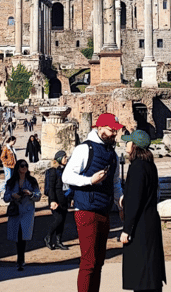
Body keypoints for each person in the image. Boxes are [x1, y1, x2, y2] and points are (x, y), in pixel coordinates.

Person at [63, 112, 125, 292]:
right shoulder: (85, 149)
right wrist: (90, 180)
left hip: (104, 209)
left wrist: (120, 203)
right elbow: (67, 176)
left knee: (99, 261)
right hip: (86, 210)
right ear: (99, 128)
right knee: (89, 261)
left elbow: (115, 184)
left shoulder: (113, 154)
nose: (114, 133)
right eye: (111, 130)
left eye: (116, 130)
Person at [119, 130, 166, 292]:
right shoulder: (148, 165)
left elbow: (135, 201)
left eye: (128, 142)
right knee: (149, 266)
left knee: (142, 269)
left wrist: (126, 229)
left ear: (135, 146)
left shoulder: (137, 167)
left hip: (140, 225)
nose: (126, 145)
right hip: (149, 220)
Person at [3, 159, 41, 271]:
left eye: (26, 165)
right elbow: (5, 197)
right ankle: (20, 259)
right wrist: (12, 196)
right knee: (17, 236)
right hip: (16, 211)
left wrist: (30, 194)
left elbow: (38, 196)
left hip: (27, 211)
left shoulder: (32, 181)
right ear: (17, 168)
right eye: (22, 166)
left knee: (23, 236)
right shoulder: (11, 182)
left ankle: (21, 259)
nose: (24, 167)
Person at [45, 150, 72, 250]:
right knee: (58, 219)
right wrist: (52, 200)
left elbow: (68, 185)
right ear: (60, 158)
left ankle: (58, 241)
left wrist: (70, 198)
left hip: (64, 198)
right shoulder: (53, 171)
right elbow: (51, 188)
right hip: (56, 199)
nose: (66, 159)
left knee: (62, 221)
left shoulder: (65, 170)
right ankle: (48, 237)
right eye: (64, 157)